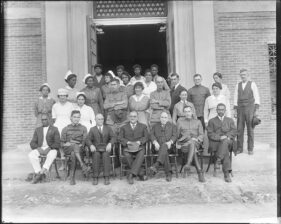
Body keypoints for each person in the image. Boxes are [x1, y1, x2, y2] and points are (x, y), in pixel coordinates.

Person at [207, 103, 237, 182]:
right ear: (216, 110)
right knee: (225, 149)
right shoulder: (211, 121)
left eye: (222, 109)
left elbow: (234, 131)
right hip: (216, 143)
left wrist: (226, 136)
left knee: (226, 141)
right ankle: (226, 174)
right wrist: (220, 137)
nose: (220, 111)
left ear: (225, 111)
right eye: (219, 109)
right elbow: (210, 134)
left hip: (229, 141)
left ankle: (218, 159)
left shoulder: (230, 120)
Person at [233, 68, 260, 155]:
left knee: (250, 129)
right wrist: (235, 110)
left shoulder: (252, 84)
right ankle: (240, 148)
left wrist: (256, 110)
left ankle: (250, 149)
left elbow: (257, 97)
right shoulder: (238, 85)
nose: (243, 76)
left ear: (248, 75)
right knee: (239, 129)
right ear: (240, 76)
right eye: (241, 75)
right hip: (240, 109)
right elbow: (235, 98)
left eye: (244, 75)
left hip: (250, 109)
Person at [176, 106, 205, 182]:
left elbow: (202, 134)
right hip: (184, 144)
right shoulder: (180, 121)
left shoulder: (198, 121)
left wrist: (197, 139)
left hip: (196, 143)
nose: (187, 113)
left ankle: (188, 164)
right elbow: (177, 135)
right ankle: (199, 172)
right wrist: (180, 142)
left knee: (192, 143)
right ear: (183, 113)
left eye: (189, 111)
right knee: (192, 145)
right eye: (185, 111)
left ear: (192, 112)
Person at [118, 111, 149, 184]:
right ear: (129, 117)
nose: (133, 118)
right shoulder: (123, 127)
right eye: (131, 116)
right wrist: (127, 142)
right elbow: (119, 138)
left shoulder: (143, 126)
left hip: (139, 147)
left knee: (141, 153)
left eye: (134, 116)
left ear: (137, 117)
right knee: (127, 154)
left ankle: (131, 175)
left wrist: (140, 142)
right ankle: (140, 173)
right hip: (128, 147)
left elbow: (146, 137)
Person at [29, 113, 60, 184]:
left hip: (51, 148)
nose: (44, 121)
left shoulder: (54, 129)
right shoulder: (38, 130)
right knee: (31, 155)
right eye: (42, 120)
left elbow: (57, 143)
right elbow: (32, 143)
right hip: (40, 148)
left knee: (53, 154)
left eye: (45, 119)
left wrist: (49, 148)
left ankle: (42, 172)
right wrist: (38, 148)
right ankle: (38, 172)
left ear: (49, 120)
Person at [61, 110, 89, 185]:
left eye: (78, 117)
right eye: (74, 117)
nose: (76, 119)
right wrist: (65, 144)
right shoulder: (65, 129)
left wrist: (79, 144)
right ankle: (82, 164)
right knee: (74, 146)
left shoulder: (83, 128)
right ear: (71, 118)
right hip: (68, 148)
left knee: (73, 153)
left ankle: (72, 177)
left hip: (79, 149)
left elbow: (84, 141)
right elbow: (61, 142)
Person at [86, 114, 116, 185]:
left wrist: (110, 144)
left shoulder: (108, 128)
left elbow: (113, 137)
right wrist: (91, 145)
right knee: (96, 155)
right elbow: (88, 139)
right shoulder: (92, 129)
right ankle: (95, 177)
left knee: (106, 155)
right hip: (96, 149)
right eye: (99, 119)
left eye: (102, 119)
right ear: (95, 120)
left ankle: (106, 176)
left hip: (106, 148)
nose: (100, 120)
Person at [149, 111, 177, 182]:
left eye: (165, 117)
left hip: (169, 147)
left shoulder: (172, 126)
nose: (163, 119)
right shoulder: (155, 126)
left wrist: (170, 142)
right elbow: (151, 135)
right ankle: (169, 173)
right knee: (165, 153)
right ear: (160, 118)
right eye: (162, 117)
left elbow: (175, 135)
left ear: (168, 118)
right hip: (157, 147)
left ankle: (157, 164)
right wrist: (155, 142)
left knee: (165, 146)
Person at [52, 88, 74, 170]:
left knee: (68, 144)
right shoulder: (55, 106)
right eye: (60, 96)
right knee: (60, 146)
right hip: (58, 125)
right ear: (58, 97)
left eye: (64, 96)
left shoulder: (70, 105)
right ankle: (62, 164)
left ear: (66, 96)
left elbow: (72, 117)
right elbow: (54, 118)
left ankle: (68, 164)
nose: (62, 97)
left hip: (68, 125)